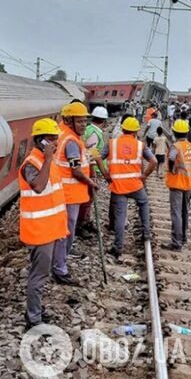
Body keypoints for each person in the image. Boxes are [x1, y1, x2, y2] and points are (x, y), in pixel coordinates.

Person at [17, 119, 68, 328]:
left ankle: (36, 310)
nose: (55, 145)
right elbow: (38, 186)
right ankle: (34, 319)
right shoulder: (32, 163)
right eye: (51, 140)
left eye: (56, 140)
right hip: (39, 231)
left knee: (40, 274)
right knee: (38, 276)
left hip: (50, 228)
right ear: (40, 141)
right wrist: (48, 159)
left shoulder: (47, 161)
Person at [53, 102, 97, 282]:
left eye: (85, 121)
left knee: (64, 231)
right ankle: (60, 269)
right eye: (79, 121)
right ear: (69, 121)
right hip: (70, 194)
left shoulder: (64, 134)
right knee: (66, 232)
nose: (83, 125)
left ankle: (59, 261)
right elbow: (75, 171)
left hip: (66, 193)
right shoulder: (71, 141)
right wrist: (91, 182)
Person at [103, 118, 156, 260]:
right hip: (135, 185)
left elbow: (98, 158)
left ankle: (118, 248)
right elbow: (154, 161)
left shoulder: (112, 144)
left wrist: (106, 174)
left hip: (119, 186)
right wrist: (144, 175)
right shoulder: (140, 145)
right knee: (143, 204)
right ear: (136, 131)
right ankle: (146, 233)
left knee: (120, 217)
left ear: (122, 128)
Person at [162, 120, 191, 251]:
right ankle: (183, 238)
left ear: (175, 133)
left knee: (176, 213)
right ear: (187, 133)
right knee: (184, 212)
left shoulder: (175, 147)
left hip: (176, 183)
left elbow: (171, 160)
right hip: (188, 184)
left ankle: (176, 242)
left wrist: (171, 170)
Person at [77, 106, 109, 238]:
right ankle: (81, 225)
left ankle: (85, 221)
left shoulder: (89, 129)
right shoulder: (95, 133)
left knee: (88, 199)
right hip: (90, 170)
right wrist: (101, 172)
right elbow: (92, 154)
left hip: (87, 168)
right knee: (88, 200)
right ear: (104, 121)